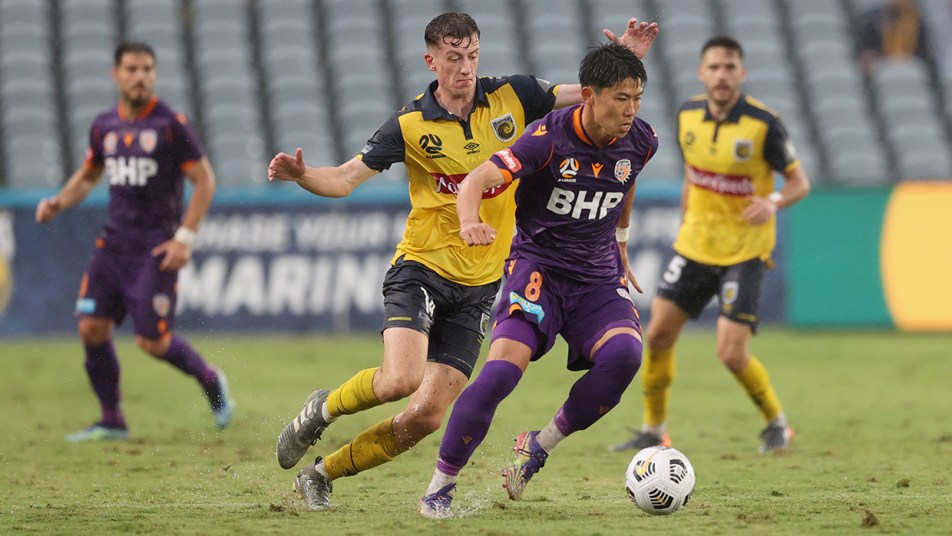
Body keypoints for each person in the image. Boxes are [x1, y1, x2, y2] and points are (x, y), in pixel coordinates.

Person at [267, 12, 658, 511]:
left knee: (426, 416)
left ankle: (323, 473)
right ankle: (321, 410)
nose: (466, 68)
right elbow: (343, 179)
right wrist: (303, 175)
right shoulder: (409, 124)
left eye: (472, 55)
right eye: (454, 58)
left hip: (481, 283)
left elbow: (583, 95)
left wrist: (623, 61)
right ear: (431, 60)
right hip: (423, 266)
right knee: (400, 380)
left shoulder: (513, 96)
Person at [416, 42, 655, 519]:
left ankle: (539, 446)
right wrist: (468, 221)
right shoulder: (548, 138)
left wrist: (622, 242)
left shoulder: (642, 140)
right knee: (503, 371)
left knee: (626, 355)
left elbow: (625, 182)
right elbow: (477, 178)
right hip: (538, 268)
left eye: (638, 98)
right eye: (621, 98)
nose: (631, 110)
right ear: (588, 95)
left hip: (596, 277)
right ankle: (440, 486)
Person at [611, 35, 811, 454]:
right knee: (658, 335)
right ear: (702, 73)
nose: (722, 75)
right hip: (695, 246)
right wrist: (687, 221)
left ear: (742, 73)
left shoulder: (763, 124)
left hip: (745, 251)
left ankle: (777, 423)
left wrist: (773, 201)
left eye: (730, 67)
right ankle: (653, 429)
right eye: (715, 67)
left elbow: (798, 182)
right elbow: (692, 173)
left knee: (730, 351)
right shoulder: (687, 115)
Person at [35, 42, 233, 442]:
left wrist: (185, 238)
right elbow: (90, 174)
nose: (139, 76)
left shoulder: (170, 124)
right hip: (113, 246)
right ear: (116, 74)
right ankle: (112, 420)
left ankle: (210, 379)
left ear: (154, 75)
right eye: (131, 69)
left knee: (152, 341)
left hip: (155, 249)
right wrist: (58, 202)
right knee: (91, 327)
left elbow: (205, 181)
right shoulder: (104, 124)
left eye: (147, 69)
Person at [856, 0, 930, 74]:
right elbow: (864, 47)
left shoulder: (917, 21)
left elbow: (924, 51)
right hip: (880, 63)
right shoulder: (872, 18)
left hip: (909, 63)